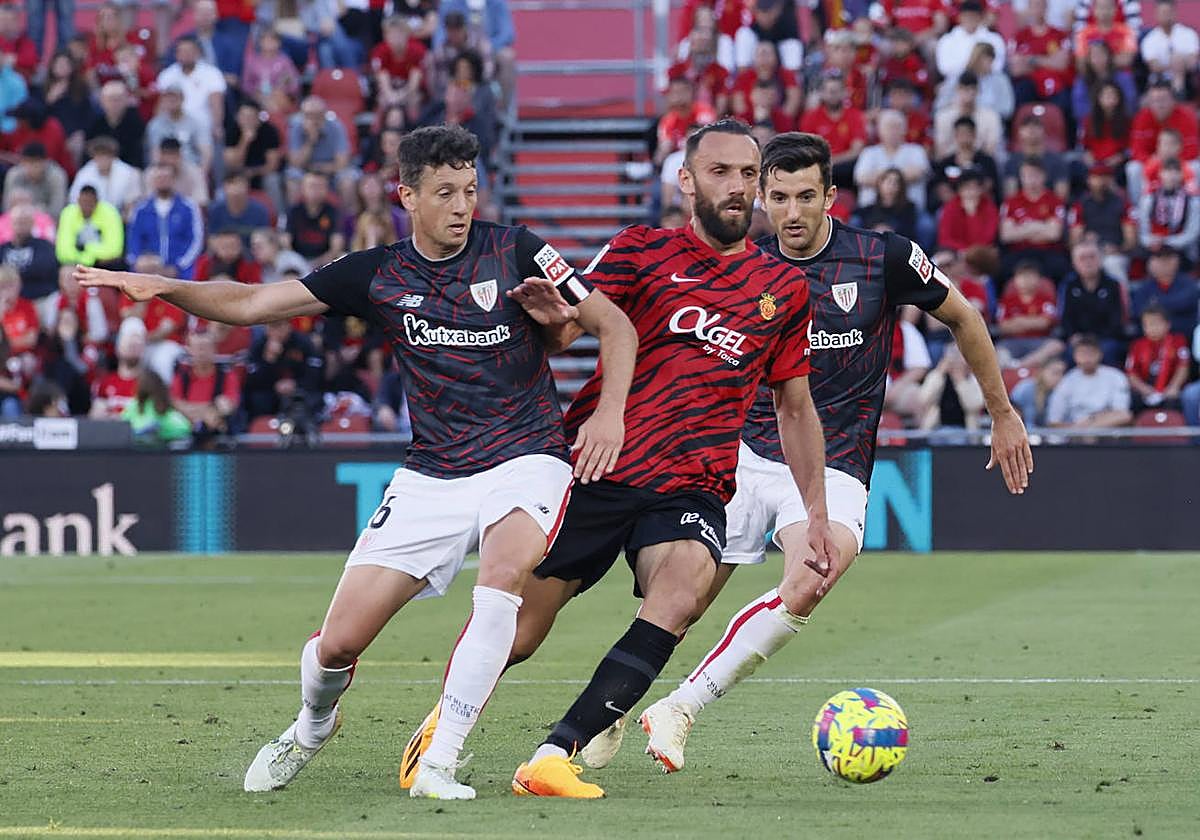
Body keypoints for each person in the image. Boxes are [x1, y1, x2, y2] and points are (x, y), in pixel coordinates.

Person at [76, 124, 638, 801]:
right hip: (432, 474)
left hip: (528, 454)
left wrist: (609, 412)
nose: (462, 206)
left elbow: (614, 324)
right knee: (337, 647)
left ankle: (440, 762)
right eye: (444, 193)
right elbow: (255, 304)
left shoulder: (517, 249)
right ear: (407, 196)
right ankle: (313, 724)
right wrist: (164, 285)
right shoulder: (377, 275)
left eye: (469, 190)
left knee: (503, 577)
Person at [604, 131, 1030, 776]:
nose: (792, 213)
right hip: (737, 458)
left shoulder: (882, 257)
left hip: (831, 463)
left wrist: (1001, 413)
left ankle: (682, 707)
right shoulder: (741, 265)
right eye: (778, 197)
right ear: (760, 197)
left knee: (812, 576)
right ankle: (603, 716)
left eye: (806, 196)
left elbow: (965, 317)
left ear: (831, 195)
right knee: (677, 603)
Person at [126, 162, 205, 280]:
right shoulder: (141, 209)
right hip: (147, 271)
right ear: (152, 181)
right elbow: (133, 238)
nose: (162, 181)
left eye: (166, 177)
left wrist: (178, 266)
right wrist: (138, 261)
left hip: (180, 272)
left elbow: (195, 240)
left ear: (174, 180)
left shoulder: (188, 207)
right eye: (159, 178)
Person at [1058, 240, 1126, 366]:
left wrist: (1093, 340)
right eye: (1082, 258)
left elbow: (1118, 319)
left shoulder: (1114, 285)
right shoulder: (1068, 286)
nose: (1088, 262)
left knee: (1108, 351)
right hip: (1078, 340)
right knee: (1069, 353)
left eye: (1092, 257)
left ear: (1101, 259)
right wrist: (1074, 336)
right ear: (1074, 262)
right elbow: (1064, 318)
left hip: (1106, 339)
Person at [1046, 334, 1131, 428]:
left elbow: (1122, 413)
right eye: (1082, 354)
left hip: (1107, 429)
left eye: (1090, 353)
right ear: (1075, 356)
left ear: (1100, 354)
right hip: (1075, 430)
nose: (1086, 358)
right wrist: (1077, 429)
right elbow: (1054, 420)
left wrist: (1091, 423)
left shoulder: (1116, 376)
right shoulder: (1067, 381)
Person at [996, 261, 1065, 368]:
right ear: (1014, 280)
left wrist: (1018, 321)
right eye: (1022, 277)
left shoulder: (1046, 300)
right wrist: (1033, 321)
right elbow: (1003, 327)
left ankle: (1020, 365)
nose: (1026, 280)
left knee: (1056, 346)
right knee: (997, 352)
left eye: (1030, 276)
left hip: (1039, 340)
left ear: (1038, 280)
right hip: (1012, 341)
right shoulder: (1006, 301)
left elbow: (1045, 323)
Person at [1126, 305, 1190, 411]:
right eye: (1147, 325)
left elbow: (1183, 367)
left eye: (1156, 323)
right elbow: (1131, 373)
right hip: (1147, 388)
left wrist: (1173, 387)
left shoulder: (1178, 341)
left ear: (1167, 324)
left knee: (1175, 400)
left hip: (1170, 387)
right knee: (1133, 399)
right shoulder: (1137, 345)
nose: (1152, 328)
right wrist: (1144, 389)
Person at [1130, 246, 1199, 336]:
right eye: (1159, 258)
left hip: (1184, 333)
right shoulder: (1144, 286)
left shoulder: (1188, 282)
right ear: (1150, 262)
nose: (1164, 262)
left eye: (1168, 258)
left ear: (1177, 260)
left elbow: (1185, 302)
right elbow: (1138, 310)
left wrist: (1155, 303)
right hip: (1151, 337)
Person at [70, 135, 144, 217]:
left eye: (106, 155)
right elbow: (75, 202)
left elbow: (132, 204)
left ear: (113, 156)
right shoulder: (84, 174)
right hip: (91, 219)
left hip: (120, 219)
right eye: (99, 155)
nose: (103, 159)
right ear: (93, 156)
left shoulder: (128, 173)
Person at [56, 185, 125, 269]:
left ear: (97, 202)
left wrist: (88, 251)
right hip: (76, 263)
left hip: (102, 263)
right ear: (78, 201)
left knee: (116, 263)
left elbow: (115, 250)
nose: (86, 207)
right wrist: (83, 259)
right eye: (83, 202)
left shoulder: (110, 213)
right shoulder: (68, 213)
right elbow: (62, 251)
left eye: (90, 203)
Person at [1141, 0, 1199, 96]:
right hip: (1160, 81)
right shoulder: (1149, 39)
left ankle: (1179, 92)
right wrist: (1175, 65)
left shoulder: (1189, 34)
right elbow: (1154, 66)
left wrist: (1178, 63)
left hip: (1188, 79)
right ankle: (1178, 93)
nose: (1166, 16)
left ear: (1175, 13)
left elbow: (1193, 62)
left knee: (1178, 62)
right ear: (1156, 14)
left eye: (1169, 12)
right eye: (1163, 12)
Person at [123, 369, 193, 446]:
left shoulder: (164, 404)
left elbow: (184, 427)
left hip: (160, 452)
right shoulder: (134, 405)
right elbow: (123, 426)